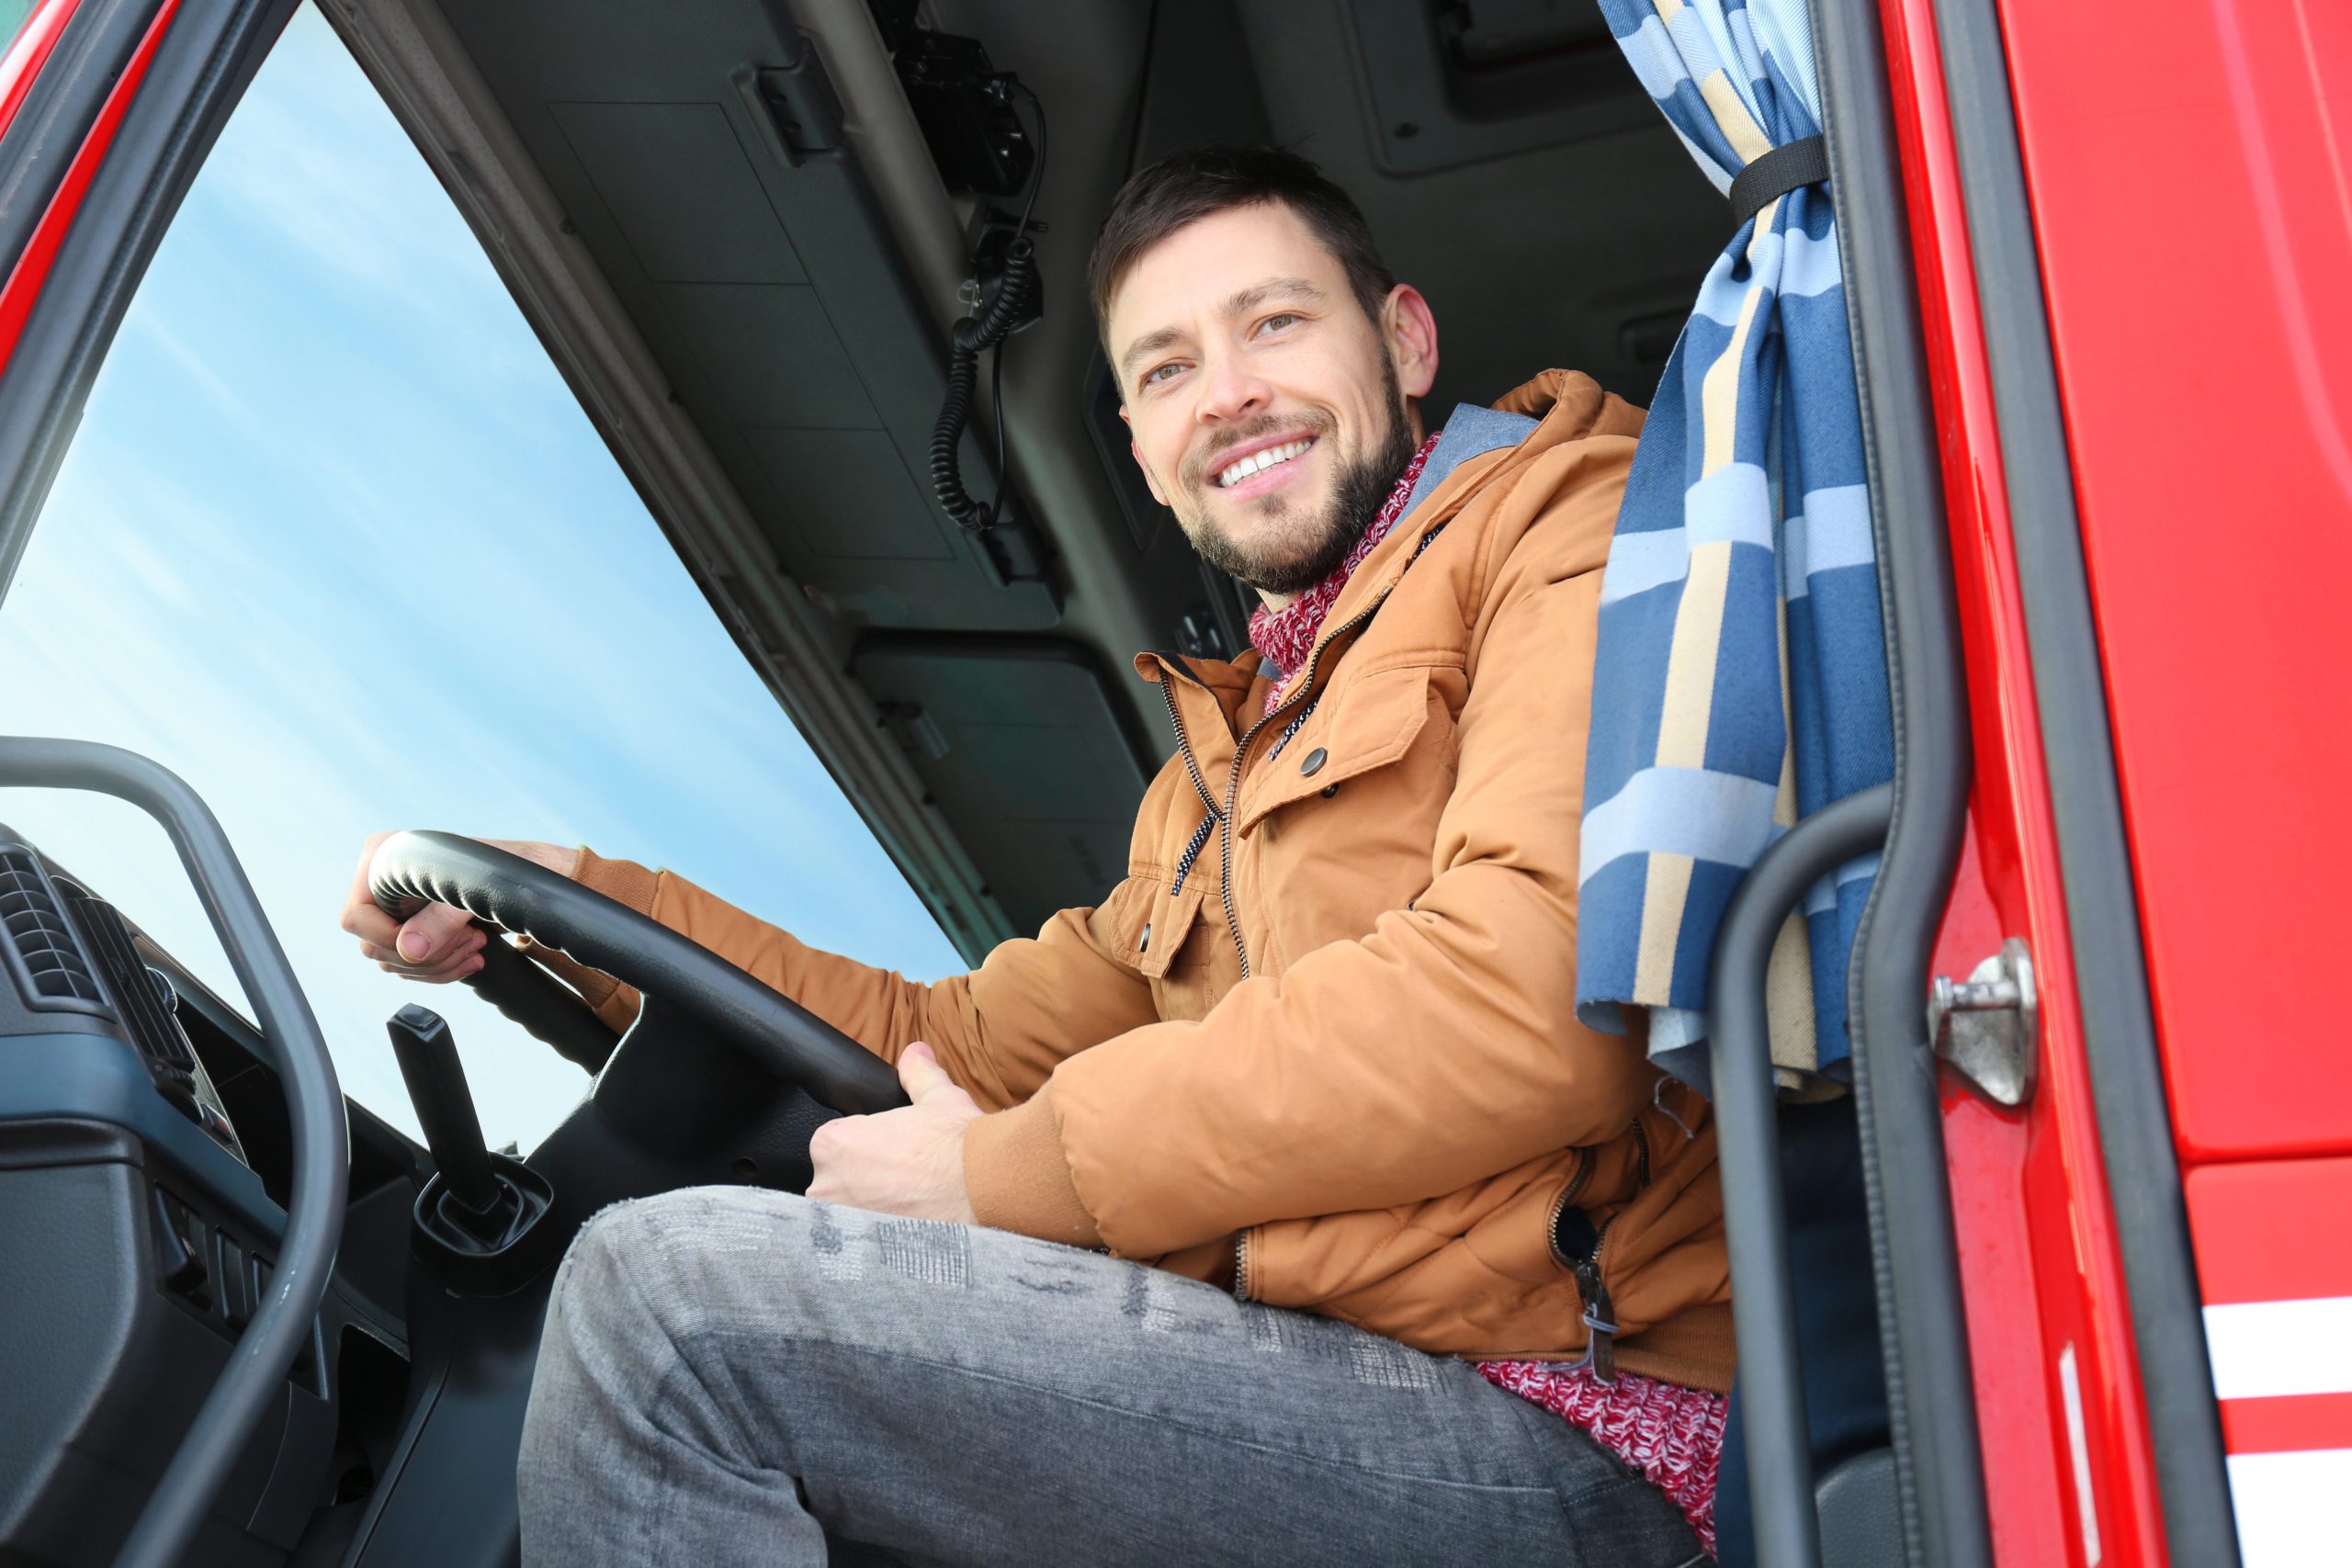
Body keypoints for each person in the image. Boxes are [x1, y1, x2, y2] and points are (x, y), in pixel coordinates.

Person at [341, 145, 1730, 1567]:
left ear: (1405, 338)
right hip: (1329, 1383)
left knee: (672, 1316)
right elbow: (933, 1040)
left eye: (1275, 322)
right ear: (1141, 445)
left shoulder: (1569, 527)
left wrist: (1003, 1179)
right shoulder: (1207, 793)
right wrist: (577, 898)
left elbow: (1536, 1000)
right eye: (1170, 368)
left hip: (1570, 1418)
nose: (1230, 392)